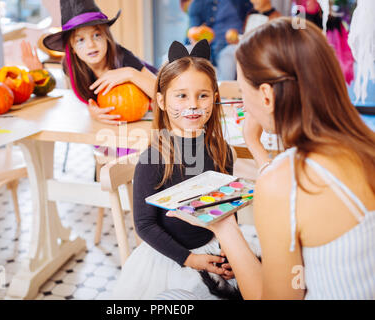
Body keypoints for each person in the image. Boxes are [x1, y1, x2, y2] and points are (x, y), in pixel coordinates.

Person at [167, 18, 375, 299]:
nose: (242, 102)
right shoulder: (362, 145)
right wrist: (254, 144)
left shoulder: (281, 183)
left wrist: (224, 227)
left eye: (242, 92)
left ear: (265, 96)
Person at [112, 40, 238, 299]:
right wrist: (191, 260)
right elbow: (145, 225)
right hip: (172, 260)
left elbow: (228, 208)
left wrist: (230, 250)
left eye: (202, 95)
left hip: (213, 249)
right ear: (160, 100)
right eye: (181, 95)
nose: (192, 105)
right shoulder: (154, 157)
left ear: (214, 98)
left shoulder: (221, 150)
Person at [21, 0, 157, 125]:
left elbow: (162, 94)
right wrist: (38, 74)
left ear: (106, 38)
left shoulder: (123, 57)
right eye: (80, 40)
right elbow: (67, 97)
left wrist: (130, 73)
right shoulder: (70, 66)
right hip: (111, 124)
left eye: (96, 35)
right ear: (72, 48)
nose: (91, 45)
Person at [218, 0, 282, 80]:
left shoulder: (276, 17)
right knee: (226, 53)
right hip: (244, 46)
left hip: (257, 50)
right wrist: (236, 38)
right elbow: (246, 34)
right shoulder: (250, 14)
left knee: (228, 54)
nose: (252, 1)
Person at [187, 0, 252, 66]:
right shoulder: (197, 4)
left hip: (237, 42)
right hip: (213, 44)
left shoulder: (242, 2)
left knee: (227, 54)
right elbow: (193, 31)